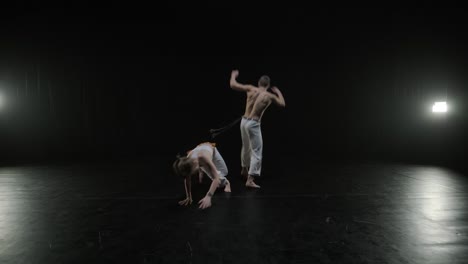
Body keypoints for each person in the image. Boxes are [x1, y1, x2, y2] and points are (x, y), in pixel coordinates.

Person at [229, 69, 286, 188]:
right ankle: (250, 179)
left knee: (245, 146)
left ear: (259, 83)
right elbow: (282, 104)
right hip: (253, 123)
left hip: (244, 121)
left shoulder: (251, 88)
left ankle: (244, 169)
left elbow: (233, 85)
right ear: (268, 85)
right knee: (257, 151)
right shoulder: (269, 96)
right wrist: (278, 92)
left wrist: (233, 75)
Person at [173, 142, 231, 209]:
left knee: (223, 173)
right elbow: (187, 179)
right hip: (200, 151)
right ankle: (201, 171)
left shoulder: (204, 157)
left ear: (195, 163)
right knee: (215, 179)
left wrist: (208, 196)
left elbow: (216, 178)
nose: (192, 175)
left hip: (211, 149)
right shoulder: (188, 160)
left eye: (192, 173)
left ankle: (227, 182)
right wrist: (188, 196)